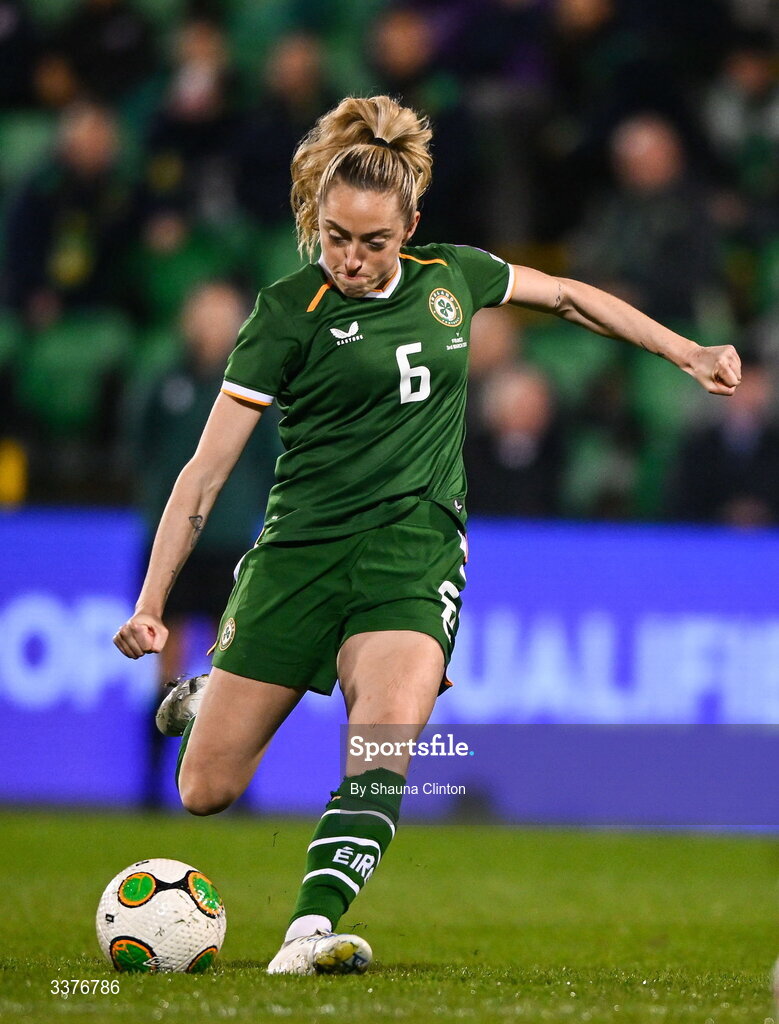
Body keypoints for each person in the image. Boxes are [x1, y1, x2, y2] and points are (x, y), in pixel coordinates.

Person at [113, 94, 742, 976]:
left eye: (374, 241)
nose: (354, 259)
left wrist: (685, 352)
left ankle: (308, 930)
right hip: (299, 554)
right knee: (204, 792)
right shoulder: (285, 314)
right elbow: (204, 473)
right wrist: (151, 603)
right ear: (318, 225)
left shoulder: (455, 276)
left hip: (414, 548)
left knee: (385, 738)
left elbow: (564, 296)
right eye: (337, 237)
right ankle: (211, 687)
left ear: (411, 226)